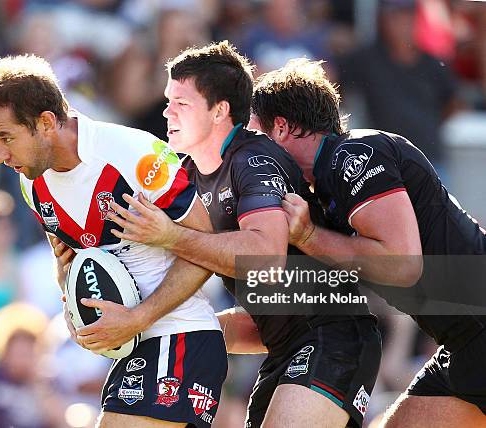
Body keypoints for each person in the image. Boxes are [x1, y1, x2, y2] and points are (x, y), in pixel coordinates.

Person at [89, 41, 381, 428]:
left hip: (335, 336)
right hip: (280, 345)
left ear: (220, 110)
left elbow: (265, 257)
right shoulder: (184, 175)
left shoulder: (254, 159)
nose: (166, 112)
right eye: (167, 100)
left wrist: (171, 236)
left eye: (182, 103)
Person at [0, 54, 226, 428]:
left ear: (45, 122)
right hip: (132, 350)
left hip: (180, 337)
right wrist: (75, 308)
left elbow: (208, 250)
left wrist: (137, 317)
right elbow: (72, 269)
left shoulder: (133, 153)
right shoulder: (33, 184)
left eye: (6, 138)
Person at [249, 58, 486, 427]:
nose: (251, 156)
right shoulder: (322, 190)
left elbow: (403, 264)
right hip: (464, 345)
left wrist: (309, 237)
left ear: (280, 127)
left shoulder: (355, 154)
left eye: (254, 137)